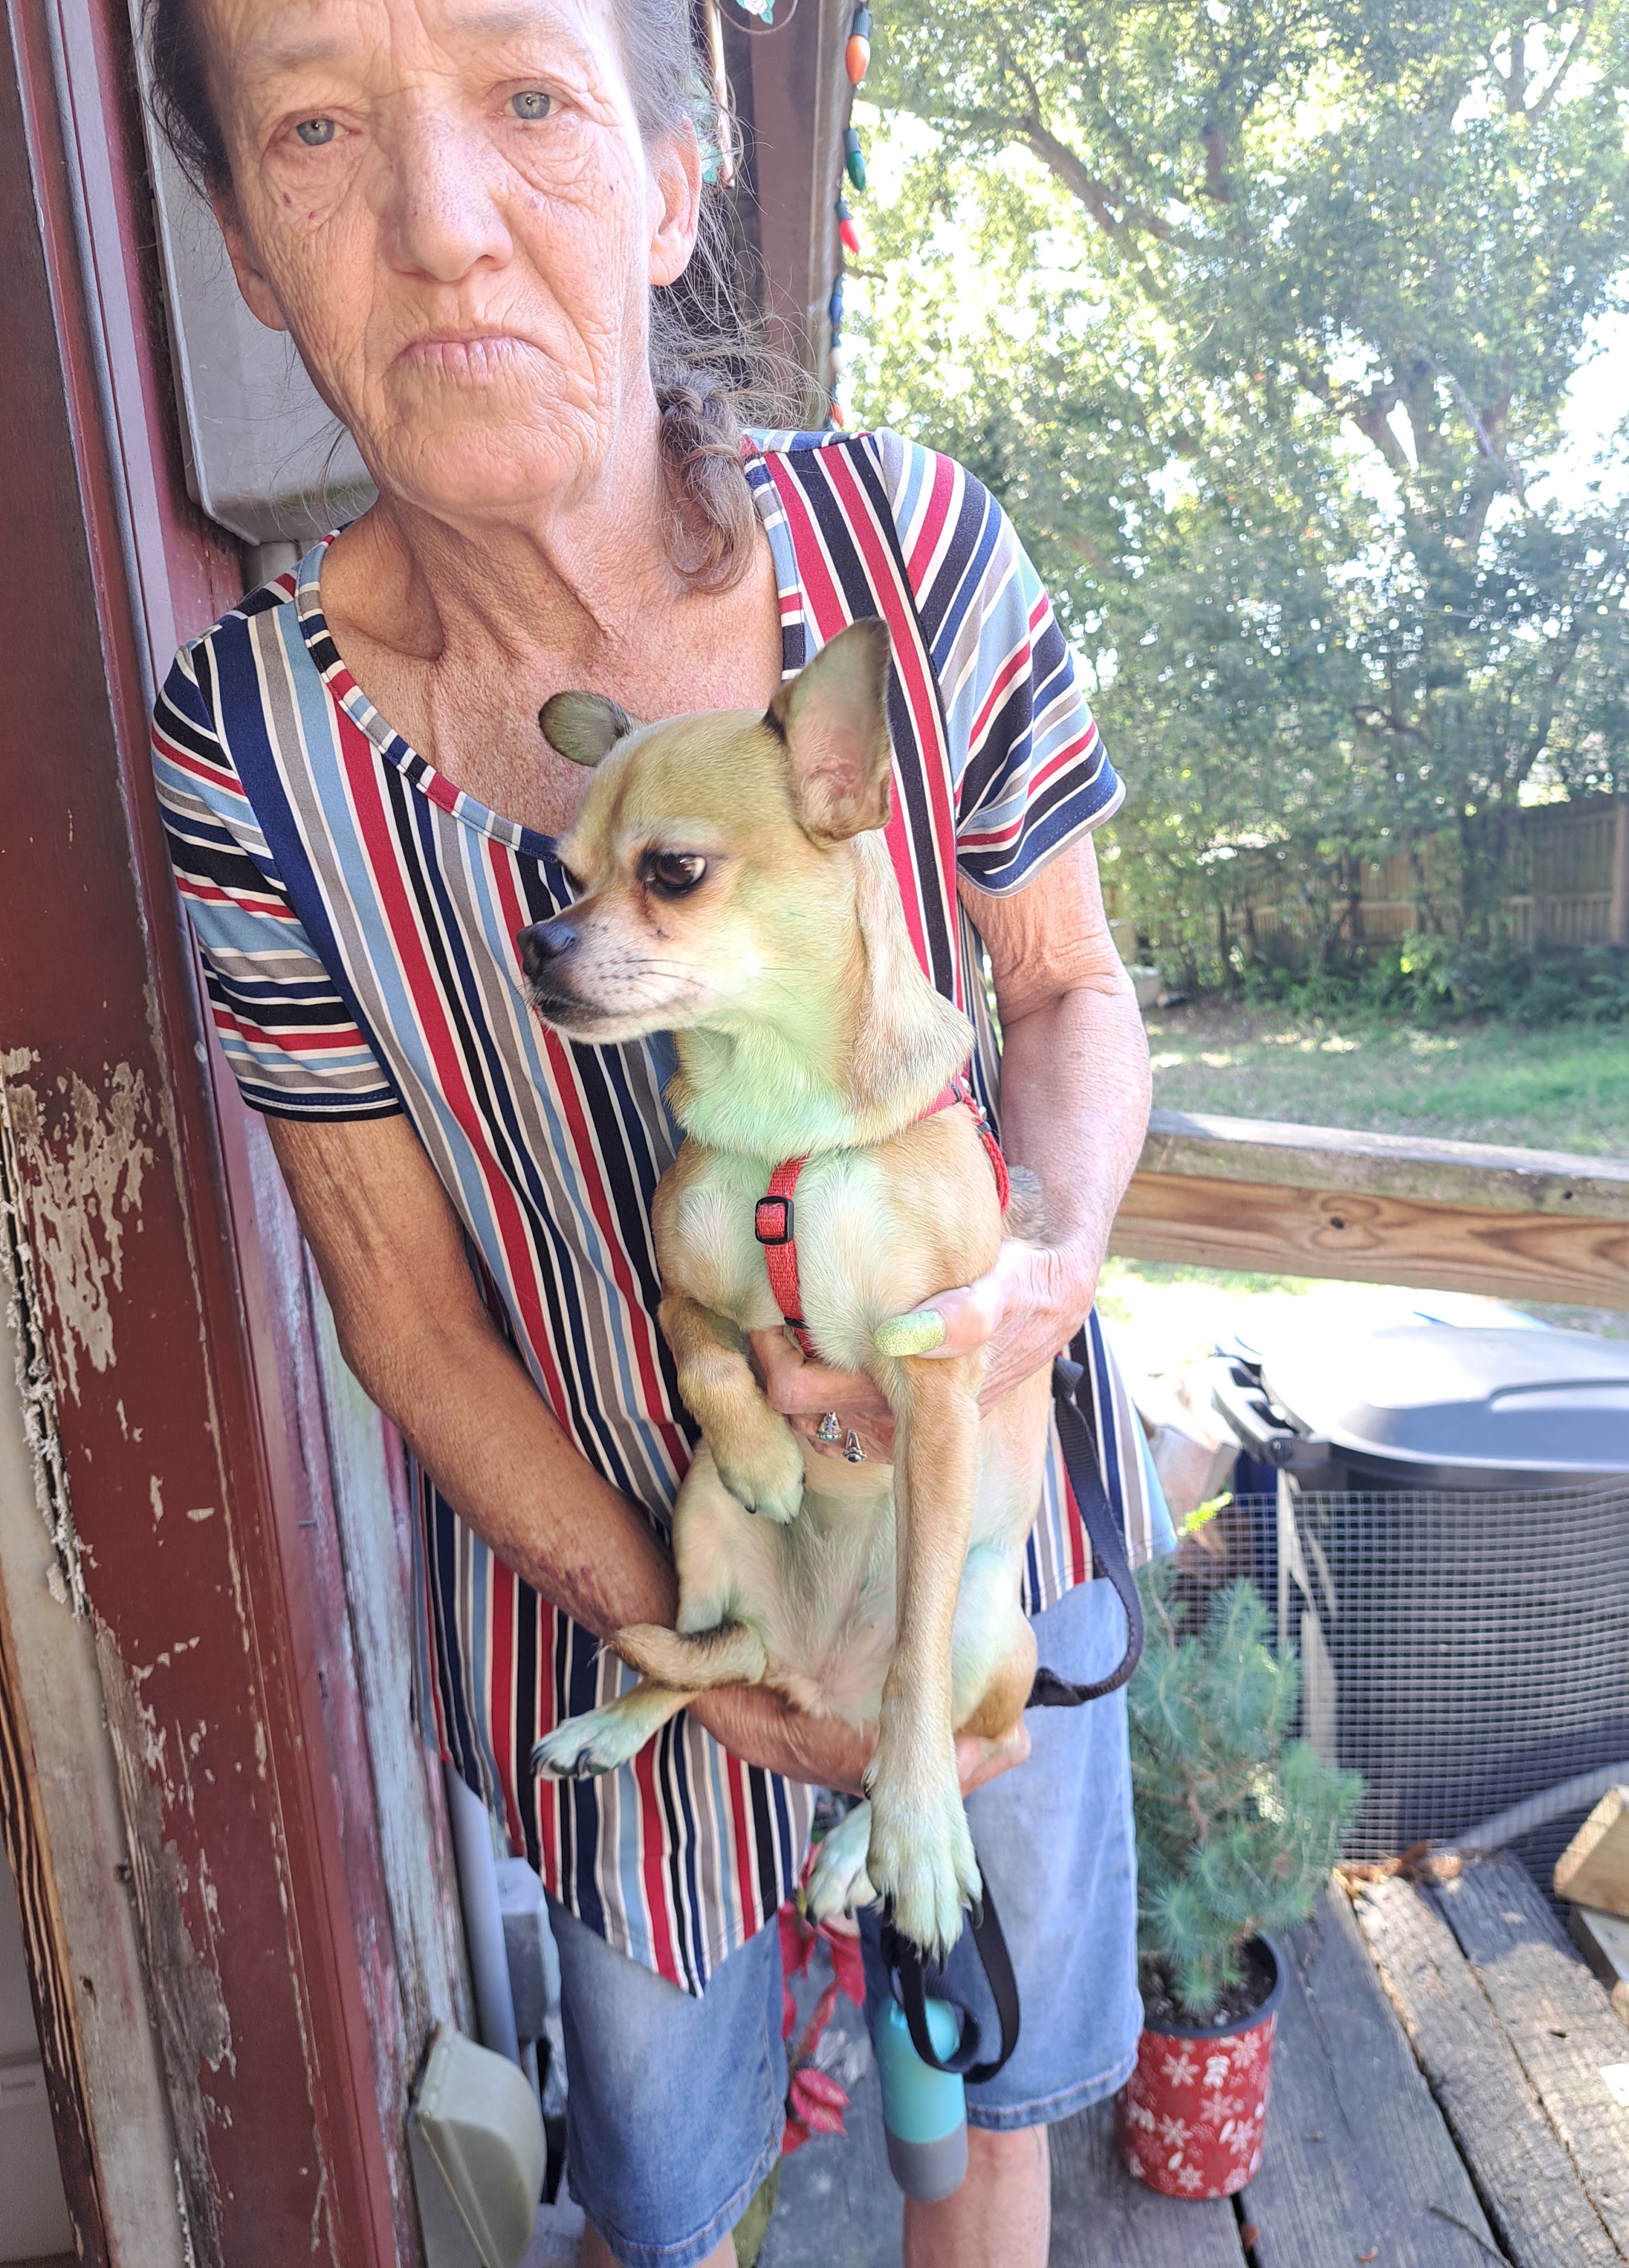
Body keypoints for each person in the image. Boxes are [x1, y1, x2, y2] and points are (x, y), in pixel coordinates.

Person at [145, 3, 1172, 2262]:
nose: (441, 228)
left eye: (530, 101)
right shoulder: (252, 755)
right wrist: (699, 1642)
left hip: (969, 1530)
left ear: (676, 183)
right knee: (675, 2186)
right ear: (238, 239)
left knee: (983, 2103)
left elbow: (1075, 995)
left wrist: (1056, 1253)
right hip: (615, 1610)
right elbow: (405, 1323)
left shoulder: (914, 561)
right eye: (318, 130)